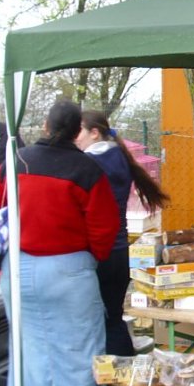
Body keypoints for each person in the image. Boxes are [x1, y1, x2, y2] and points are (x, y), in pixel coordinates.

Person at [0, 101, 120, 386]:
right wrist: (90, 259)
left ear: (46, 126)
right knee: (78, 348)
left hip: (18, 270)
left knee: (27, 347)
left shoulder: (16, 162)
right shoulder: (87, 170)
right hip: (69, 270)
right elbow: (104, 226)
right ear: (77, 131)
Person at [77, 110, 169, 356]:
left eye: (79, 132)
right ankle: (121, 376)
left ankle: (117, 378)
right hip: (119, 250)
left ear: (94, 133)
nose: (75, 138)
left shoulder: (93, 162)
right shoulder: (117, 155)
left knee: (106, 320)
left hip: (103, 251)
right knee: (114, 317)